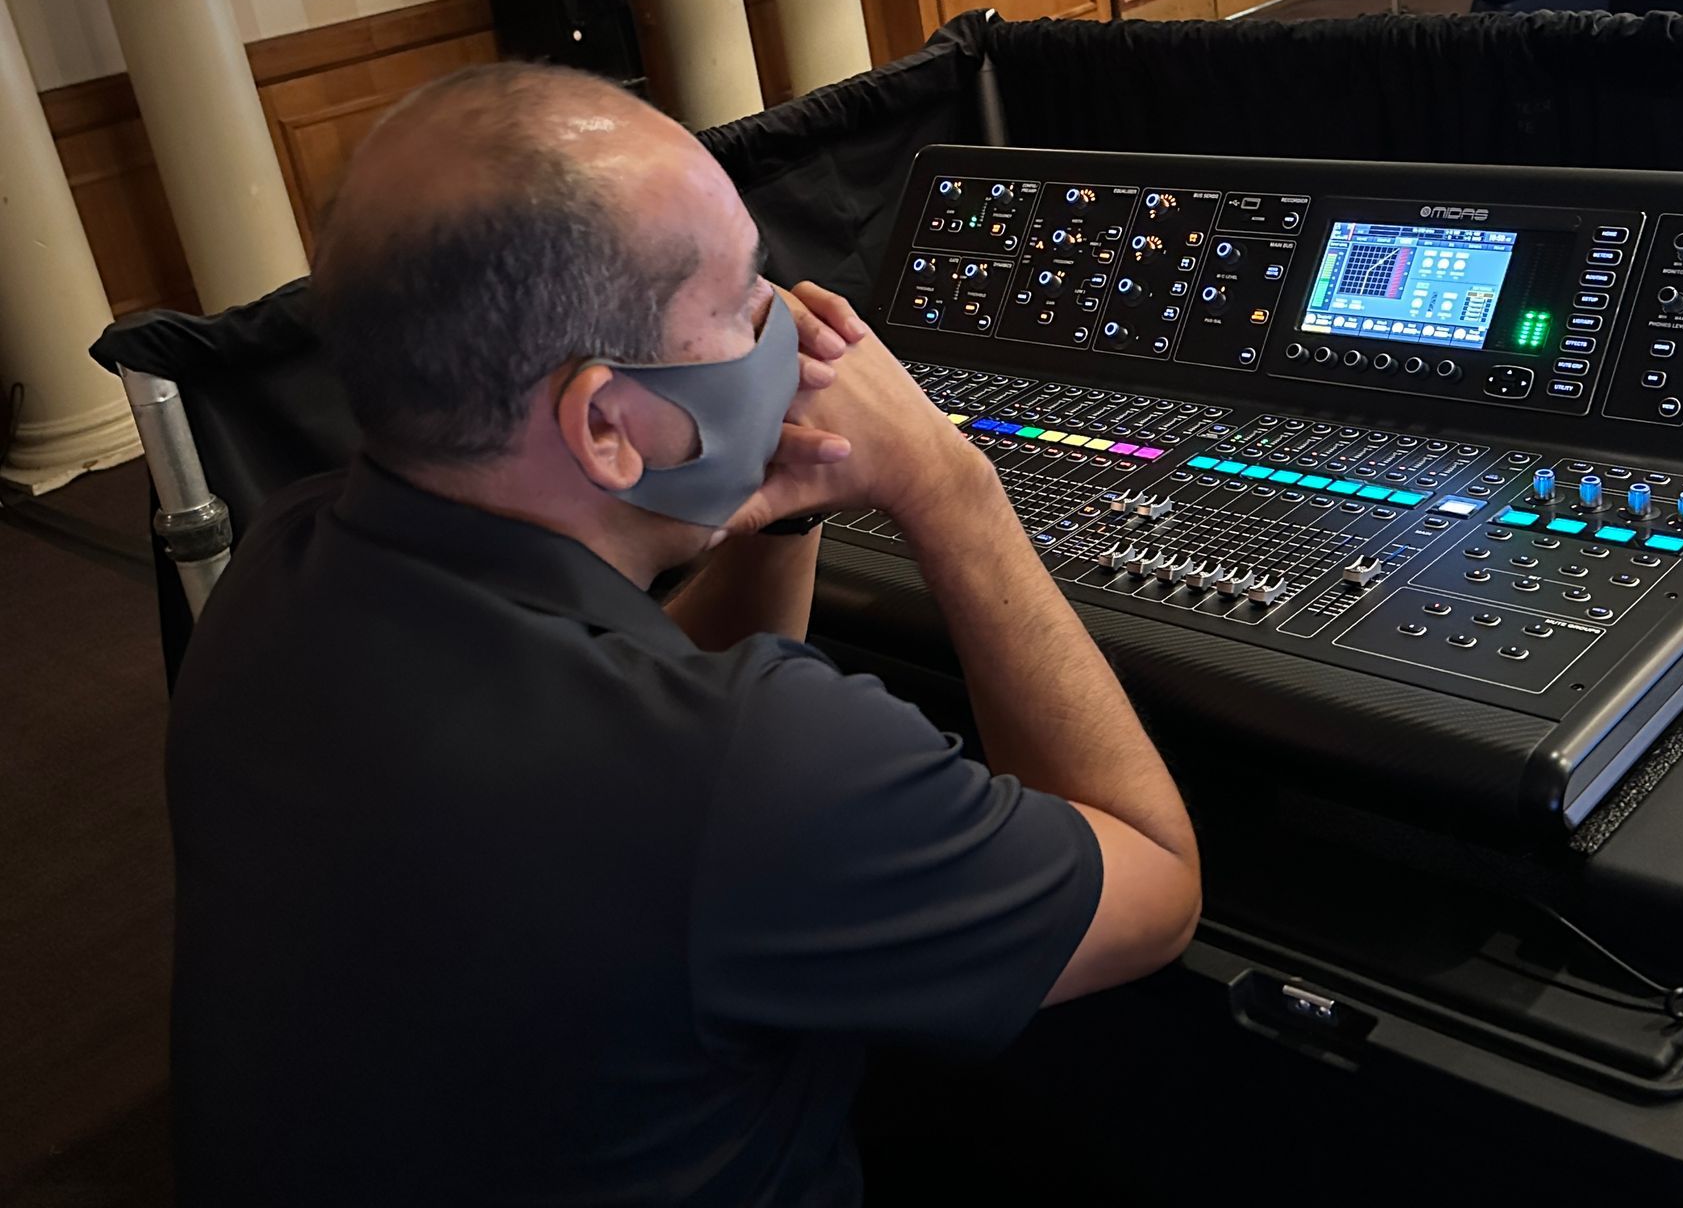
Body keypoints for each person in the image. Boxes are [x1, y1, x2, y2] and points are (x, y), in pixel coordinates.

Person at [165, 63, 1202, 1206]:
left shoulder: (279, 562)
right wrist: (952, 489)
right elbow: (1155, 889)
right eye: (747, 295)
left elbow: (654, 705)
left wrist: (776, 511)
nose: (788, 324)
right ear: (608, 425)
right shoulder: (757, 767)